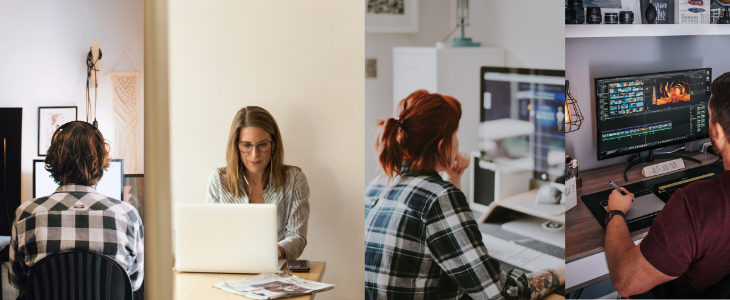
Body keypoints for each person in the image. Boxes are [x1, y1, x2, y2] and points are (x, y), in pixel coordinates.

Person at [364, 90, 565, 300]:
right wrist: (560, 271)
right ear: (443, 145)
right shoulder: (438, 198)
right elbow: (499, 294)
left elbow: (448, 239)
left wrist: (452, 178)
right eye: (455, 135)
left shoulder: (376, 185)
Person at [605, 72, 730, 298]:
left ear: (719, 132)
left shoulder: (694, 205)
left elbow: (625, 280)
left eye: (709, 117)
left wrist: (615, 212)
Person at [9, 121, 144, 298]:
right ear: (101, 162)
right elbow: (134, 283)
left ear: (53, 160)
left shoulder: (26, 214)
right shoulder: (128, 215)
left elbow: (18, 281)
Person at [205, 106, 309, 260]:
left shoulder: (294, 180)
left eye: (262, 144)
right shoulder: (218, 181)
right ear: (236, 146)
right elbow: (210, 237)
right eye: (247, 145)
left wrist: (270, 253)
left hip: (276, 273)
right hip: (228, 269)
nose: (255, 154)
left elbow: (297, 237)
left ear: (273, 145)